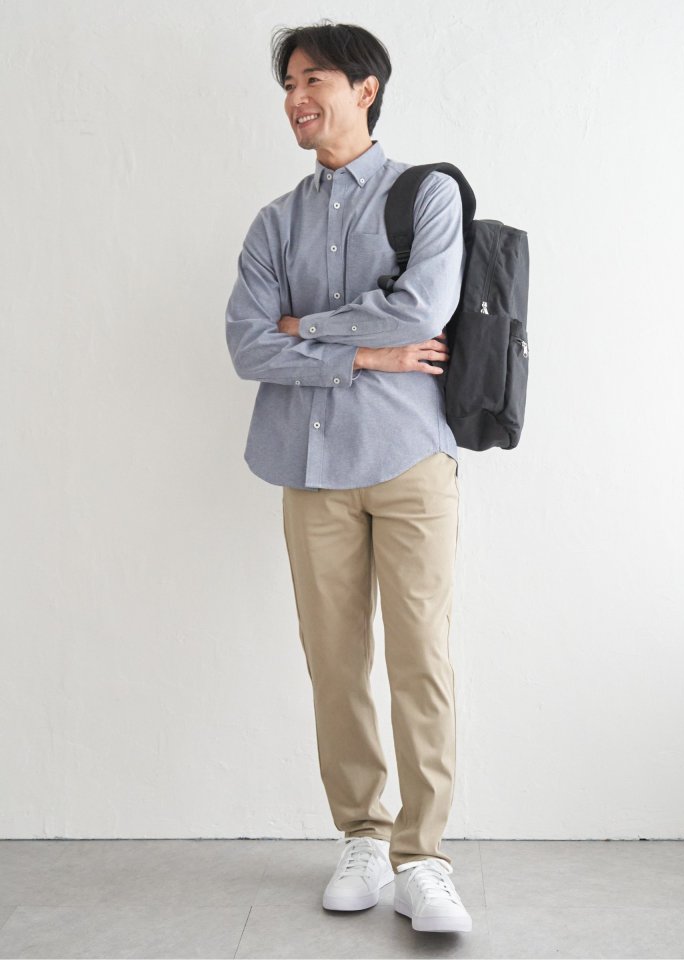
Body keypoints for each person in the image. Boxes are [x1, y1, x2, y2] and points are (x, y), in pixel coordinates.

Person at [225, 19, 471, 935]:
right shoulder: (274, 222)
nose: (297, 98)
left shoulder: (428, 195)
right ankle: (363, 836)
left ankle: (424, 856)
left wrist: (307, 327)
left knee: (420, 659)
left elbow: (423, 307)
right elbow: (248, 346)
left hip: (410, 460)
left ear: (366, 90)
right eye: (289, 83)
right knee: (335, 663)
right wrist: (367, 353)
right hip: (310, 466)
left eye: (314, 79)